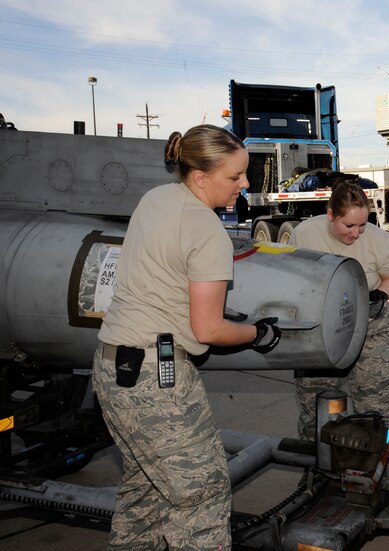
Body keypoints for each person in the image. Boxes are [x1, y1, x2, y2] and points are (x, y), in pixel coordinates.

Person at [93, 125, 281, 550]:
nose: (245, 185)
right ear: (200, 177)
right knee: (202, 497)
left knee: (145, 487)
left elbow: (160, 274)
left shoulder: (155, 198)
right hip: (155, 381)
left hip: (110, 367)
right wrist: (257, 332)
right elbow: (208, 330)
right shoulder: (207, 230)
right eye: (234, 177)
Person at [289, 178, 389, 440]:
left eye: (363, 224)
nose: (356, 233)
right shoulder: (305, 233)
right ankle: (320, 475)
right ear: (330, 215)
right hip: (321, 329)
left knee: (377, 413)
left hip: (371, 327)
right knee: (318, 412)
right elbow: (293, 277)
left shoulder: (378, 239)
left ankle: (377, 475)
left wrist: (380, 295)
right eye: (349, 225)